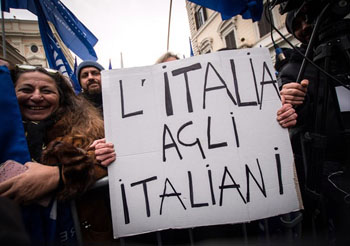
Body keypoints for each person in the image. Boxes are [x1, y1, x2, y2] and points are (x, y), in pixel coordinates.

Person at [0, 65, 116, 245]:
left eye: (46, 91)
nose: (37, 97)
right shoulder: (5, 140)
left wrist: (60, 175)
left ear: (61, 99)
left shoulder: (88, 132)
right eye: (26, 89)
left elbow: (110, 159)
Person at [277, 7, 350, 245]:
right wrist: (288, 105)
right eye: (295, 24)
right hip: (332, 168)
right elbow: (295, 118)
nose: (304, 27)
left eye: (308, 18)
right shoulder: (293, 69)